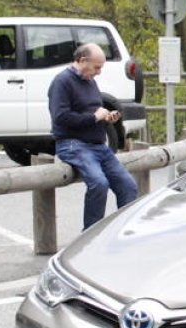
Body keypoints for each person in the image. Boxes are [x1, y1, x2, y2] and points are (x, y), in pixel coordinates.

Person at [48, 43, 138, 230]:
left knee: (128, 185)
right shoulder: (62, 82)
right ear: (82, 61)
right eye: (97, 67)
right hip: (73, 144)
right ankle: (91, 234)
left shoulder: (90, 81)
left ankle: (123, 230)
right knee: (99, 183)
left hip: (98, 145)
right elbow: (60, 117)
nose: (99, 72)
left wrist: (106, 118)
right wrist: (93, 117)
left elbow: (93, 114)